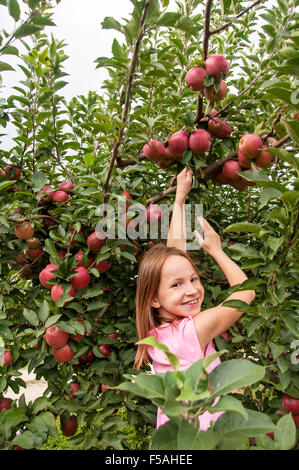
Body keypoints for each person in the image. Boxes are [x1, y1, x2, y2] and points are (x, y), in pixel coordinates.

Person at [134, 167, 255, 431]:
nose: (191, 290)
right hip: (203, 439)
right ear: (155, 299)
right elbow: (246, 293)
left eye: (193, 279)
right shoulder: (192, 331)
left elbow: (174, 256)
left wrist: (180, 197)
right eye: (177, 285)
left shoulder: (161, 333)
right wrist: (216, 251)